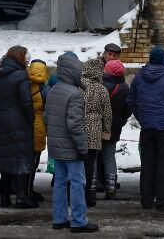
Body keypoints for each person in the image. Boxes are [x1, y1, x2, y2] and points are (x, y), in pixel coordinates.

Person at [127, 46, 164, 212]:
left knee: (147, 164)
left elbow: (131, 100)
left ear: (150, 59)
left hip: (147, 128)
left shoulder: (139, 77)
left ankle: (146, 200)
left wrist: (142, 118)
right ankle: (163, 200)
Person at [45, 52, 97, 233]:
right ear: (74, 70)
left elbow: (46, 118)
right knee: (77, 182)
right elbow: (75, 125)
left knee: (59, 182)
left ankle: (59, 219)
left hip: (55, 146)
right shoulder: (75, 93)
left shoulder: (52, 90)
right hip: (71, 147)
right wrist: (83, 149)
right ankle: (78, 220)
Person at [0, 46, 38, 209]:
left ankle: (4, 197)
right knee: (20, 157)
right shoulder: (20, 75)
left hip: (1, 119)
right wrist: (31, 118)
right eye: (27, 56)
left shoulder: (0, 73)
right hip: (18, 121)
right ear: (20, 58)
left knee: (6, 158)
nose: (28, 60)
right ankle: (21, 196)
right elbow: (25, 102)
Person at [79, 58, 112, 207]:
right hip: (94, 130)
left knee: (77, 163)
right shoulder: (102, 89)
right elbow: (107, 113)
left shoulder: (78, 86)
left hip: (78, 128)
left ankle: (76, 193)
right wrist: (106, 131)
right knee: (90, 164)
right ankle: (88, 195)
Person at [99, 59, 130, 199]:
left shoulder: (100, 85)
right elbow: (128, 108)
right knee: (109, 156)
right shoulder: (124, 88)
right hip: (114, 127)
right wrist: (121, 121)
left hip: (97, 125)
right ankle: (111, 186)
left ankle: (92, 185)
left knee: (94, 156)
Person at [27, 59, 50, 202]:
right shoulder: (46, 91)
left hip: (24, 126)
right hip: (39, 128)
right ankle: (29, 189)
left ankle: (22, 188)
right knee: (34, 161)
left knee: (24, 160)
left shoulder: (24, 86)